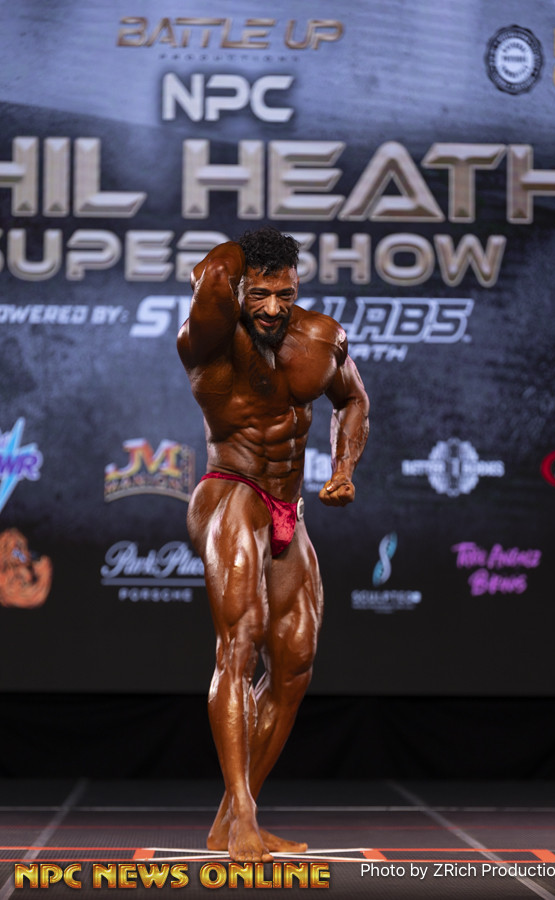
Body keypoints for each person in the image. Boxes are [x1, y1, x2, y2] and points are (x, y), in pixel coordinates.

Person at [177, 226, 369, 863]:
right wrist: (241, 256)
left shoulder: (320, 338)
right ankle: (246, 817)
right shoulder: (207, 340)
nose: (271, 308)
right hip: (230, 492)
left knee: (294, 667)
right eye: (258, 294)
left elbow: (354, 399)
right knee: (241, 644)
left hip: (291, 505)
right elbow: (211, 279)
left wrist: (343, 469)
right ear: (239, 289)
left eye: (284, 294)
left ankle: (231, 819)